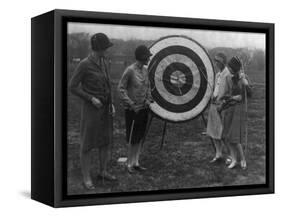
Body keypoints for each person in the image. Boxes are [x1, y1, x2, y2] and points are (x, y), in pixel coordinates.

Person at [69, 33, 116, 190]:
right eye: (106, 47)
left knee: (105, 142)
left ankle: (102, 172)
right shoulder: (84, 64)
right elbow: (72, 87)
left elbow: (108, 85)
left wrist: (112, 103)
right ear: (99, 48)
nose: (107, 50)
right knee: (87, 144)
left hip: (105, 109)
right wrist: (90, 98)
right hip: (91, 110)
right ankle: (86, 178)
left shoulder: (104, 62)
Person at [118, 45, 154, 174]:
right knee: (133, 137)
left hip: (144, 109)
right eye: (147, 57)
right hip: (133, 110)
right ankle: (129, 163)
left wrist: (149, 100)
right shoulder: (130, 70)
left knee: (140, 136)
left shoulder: (146, 71)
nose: (149, 59)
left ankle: (136, 162)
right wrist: (131, 104)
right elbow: (121, 89)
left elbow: (148, 87)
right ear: (142, 57)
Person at [220, 56, 252, 169]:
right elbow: (227, 94)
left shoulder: (243, 77)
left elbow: (250, 94)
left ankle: (242, 159)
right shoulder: (228, 78)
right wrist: (230, 98)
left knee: (235, 137)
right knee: (227, 136)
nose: (228, 69)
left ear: (235, 67)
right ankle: (234, 159)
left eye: (230, 67)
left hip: (239, 110)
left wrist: (246, 84)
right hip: (229, 108)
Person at [206, 53, 229, 163]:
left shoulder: (228, 74)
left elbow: (228, 91)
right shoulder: (217, 74)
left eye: (218, 61)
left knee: (223, 132)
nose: (216, 63)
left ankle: (230, 156)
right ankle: (218, 154)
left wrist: (221, 100)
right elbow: (216, 88)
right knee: (213, 131)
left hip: (222, 105)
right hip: (214, 104)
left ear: (223, 62)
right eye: (215, 61)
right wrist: (212, 96)